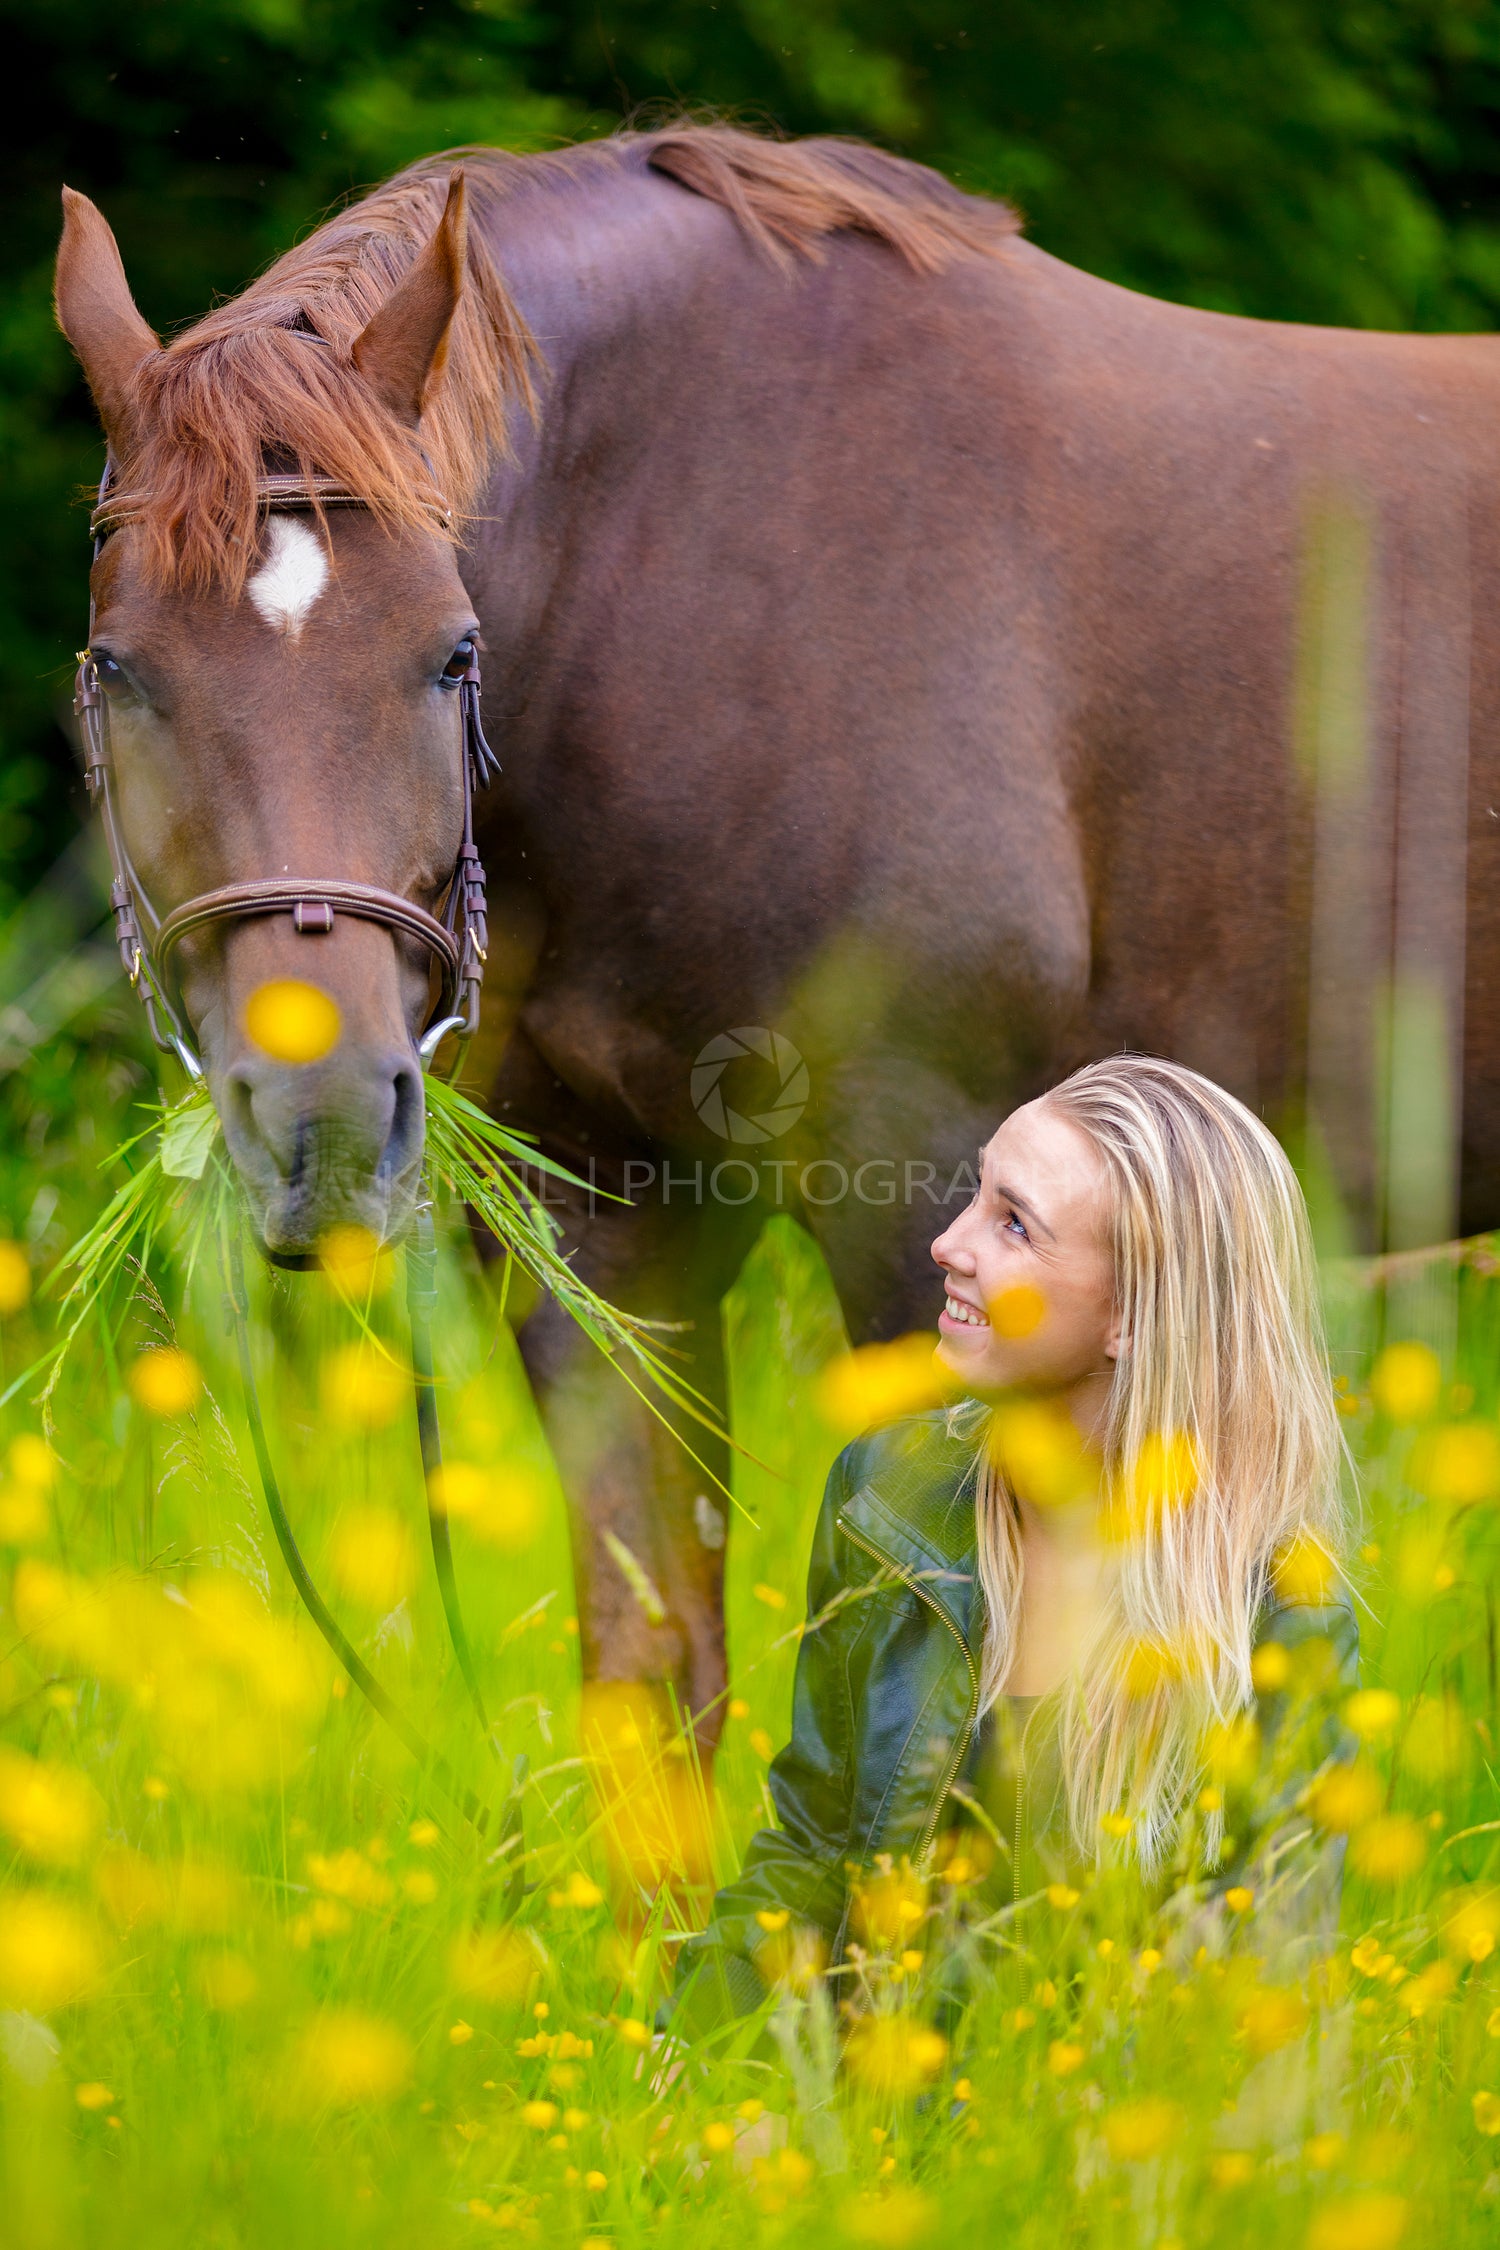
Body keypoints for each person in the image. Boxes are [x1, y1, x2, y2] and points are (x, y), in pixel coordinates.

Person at [672, 1055, 1359, 2032]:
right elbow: (813, 1846)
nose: (948, 1244)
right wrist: (687, 2077)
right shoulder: (889, 1494)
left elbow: (1266, 1990)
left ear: (1131, 1312)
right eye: (975, 1194)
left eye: (1014, 1224)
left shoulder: (1279, 1611)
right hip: (858, 2129)